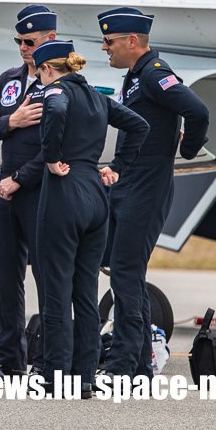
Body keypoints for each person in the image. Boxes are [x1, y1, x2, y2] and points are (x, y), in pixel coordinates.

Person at [96, 7, 209, 381]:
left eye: (109, 41)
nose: (104, 47)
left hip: (147, 188)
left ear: (132, 41)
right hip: (131, 184)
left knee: (126, 275)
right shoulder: (136, 77)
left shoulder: (154, 75)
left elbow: (197, 111)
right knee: (124, 273)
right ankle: (139, 363)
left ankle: (124, 366)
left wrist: (187, 149)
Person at [34, 39, 149, 397]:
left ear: (49, 70)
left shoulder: (57, 93)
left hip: (64, 192)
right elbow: (139, 126)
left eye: (40, 74)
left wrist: (51, 156)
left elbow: (53, 109)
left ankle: (55, 378)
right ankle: (84, 378)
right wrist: (117, 167)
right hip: (96, 196)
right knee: (85, 293)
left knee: (56, 291)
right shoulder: (99, 98)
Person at [0, 4, 56, 375]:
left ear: (49, 39)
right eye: (18, 40)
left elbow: (55, 146)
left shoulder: (59, 84)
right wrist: (11, 121)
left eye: (29, 41)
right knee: (7, 278)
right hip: (5, 186)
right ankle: (11, 359)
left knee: (45, 276)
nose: (22, 47)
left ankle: (46, 360)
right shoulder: (8, 80)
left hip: (40, 188)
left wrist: (21, 179)